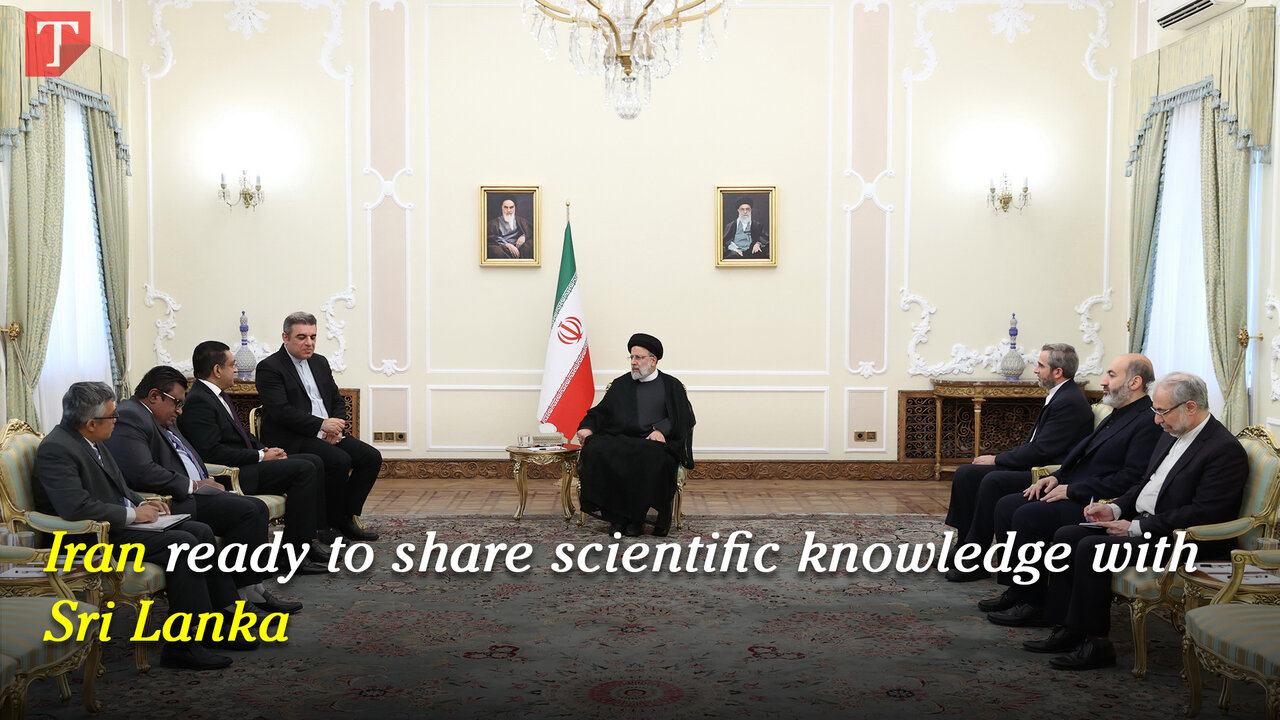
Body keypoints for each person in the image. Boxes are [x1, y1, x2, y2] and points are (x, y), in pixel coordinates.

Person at [1021, 373, 1247, 670]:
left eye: (1162, 411)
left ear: (1190, 407)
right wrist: (1115, 509)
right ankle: (1067, 628)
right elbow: (1144, 483)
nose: (1156, 420)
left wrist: (1136, 527)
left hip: (1183, 541)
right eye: (1155, 410)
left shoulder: (1223, 450)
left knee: (1091, 548)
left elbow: (1203, 513)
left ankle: (1097, 644)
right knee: (1067, 535)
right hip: (1148, 525)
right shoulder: (1172, 432)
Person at [34, 381, 247, 670]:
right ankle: (182, 647)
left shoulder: (91, 439)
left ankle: (216, 621)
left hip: (115, 527)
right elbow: (76, 508)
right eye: (112, 416)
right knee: (183, 545)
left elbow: (119, 487)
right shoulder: (57, 449)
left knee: (200, 531)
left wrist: (143, 504)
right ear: (91, 423)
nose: (117, 420)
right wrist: (135, 515)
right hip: (89, 539)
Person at [105, 365, 318, 613]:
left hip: (197, 490)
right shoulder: (131, 416)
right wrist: (194, 485)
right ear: (154, 396)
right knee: (248, 511)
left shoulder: (160, 415)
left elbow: (185, 455)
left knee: (255, 507)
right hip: (176, 498)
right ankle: (241, 593)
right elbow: (142, 471)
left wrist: (204, 480)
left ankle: (252, 588)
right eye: (177, 403)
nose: (180, 410)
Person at [980, 354, 1164, 625]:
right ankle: (1019, 590)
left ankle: (1035, 603)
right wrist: (1056, 478)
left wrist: (1072, 490)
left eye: (1111, 375)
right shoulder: (1118, 412)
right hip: (1076, 488)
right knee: (1007, 505)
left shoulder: (1147, 421)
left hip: (1098, 500)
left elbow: (1130, 478)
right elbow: (1082, 459)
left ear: (1135, 382)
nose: (1103, 381)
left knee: (1028, 516)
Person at [944, 343, 1094, 581]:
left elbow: (1042, 451)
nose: (1035, 370)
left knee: (993, 481)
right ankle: (964, 546)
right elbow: (1036, 446)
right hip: (1035, 464)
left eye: (1040, 366)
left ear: (1058, 372)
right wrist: (999, 459)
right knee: (967, 473)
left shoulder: (1070, 401)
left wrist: (996, 459)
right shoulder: (1061, 394)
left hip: (1047, 474)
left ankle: (976, 561)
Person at [178, 340, 330, 560]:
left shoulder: (216, 394)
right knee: (304, 469)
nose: (236, 370)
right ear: (217, 370)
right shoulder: (199, 401)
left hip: (247, 464)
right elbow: (211, 452)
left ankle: (306, 541)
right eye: (232, 365)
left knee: (314, 461)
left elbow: (241, 435)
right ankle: (293, 553)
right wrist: (260, 456)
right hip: (233, 474)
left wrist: (266, 449)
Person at [256, 311, 382, 541]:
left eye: (313, 337)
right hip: (293, 436)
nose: (309, 343)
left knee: (371, 457)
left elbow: (336, 400)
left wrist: (336, 427)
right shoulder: (270, 367)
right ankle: (323, 526)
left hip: (327, 433)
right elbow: (282, 412)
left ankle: (344, 518)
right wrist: (322, 425)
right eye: (302, 337)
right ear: (285, 337)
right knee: (339, 460)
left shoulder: (320, 362)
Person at [571, 333, 695, 537]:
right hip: (622, 437)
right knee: (596, 449)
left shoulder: (671, 385)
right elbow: (601, 412)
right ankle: (617, 517)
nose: (634, 362)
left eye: (639, 357)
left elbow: (682, 417)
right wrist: (587, 427)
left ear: (653, 360)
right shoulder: (621, 384)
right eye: (632, 357)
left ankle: (637, 519)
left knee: (649, 455)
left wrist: (661, 431)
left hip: (652, 442)